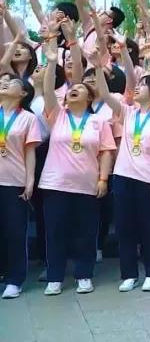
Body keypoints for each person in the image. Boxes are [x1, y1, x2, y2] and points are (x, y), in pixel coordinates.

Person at [38, 38, 115, 295]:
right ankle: (55, 277)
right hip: (55, 184)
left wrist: (103, 179)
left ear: (89, 97)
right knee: (56, 232)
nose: (73, 90)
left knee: (86, 232)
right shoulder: (58, 115)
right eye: (71, 88)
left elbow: (106, 152)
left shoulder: (98, 122)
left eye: (80, 89)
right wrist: (51, 62)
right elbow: (48, 91)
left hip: (87, 185)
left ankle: (84, 274)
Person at [105, 69, 150, 293]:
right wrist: (97, 68)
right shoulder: (128, 112)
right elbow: (105, 96)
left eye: (143, 84)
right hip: (123, 176)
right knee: (124, 228)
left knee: (149, 228)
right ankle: (129, 274)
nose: (137, 87)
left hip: (148, 179)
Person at [0, 74, 42, 299]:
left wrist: (29, 181)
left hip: (14, 181)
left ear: (23, 93)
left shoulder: (28, 118)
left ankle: (15, 280)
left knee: (15, 232)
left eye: (11, 83)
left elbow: (29, 152)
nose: (4, 84)